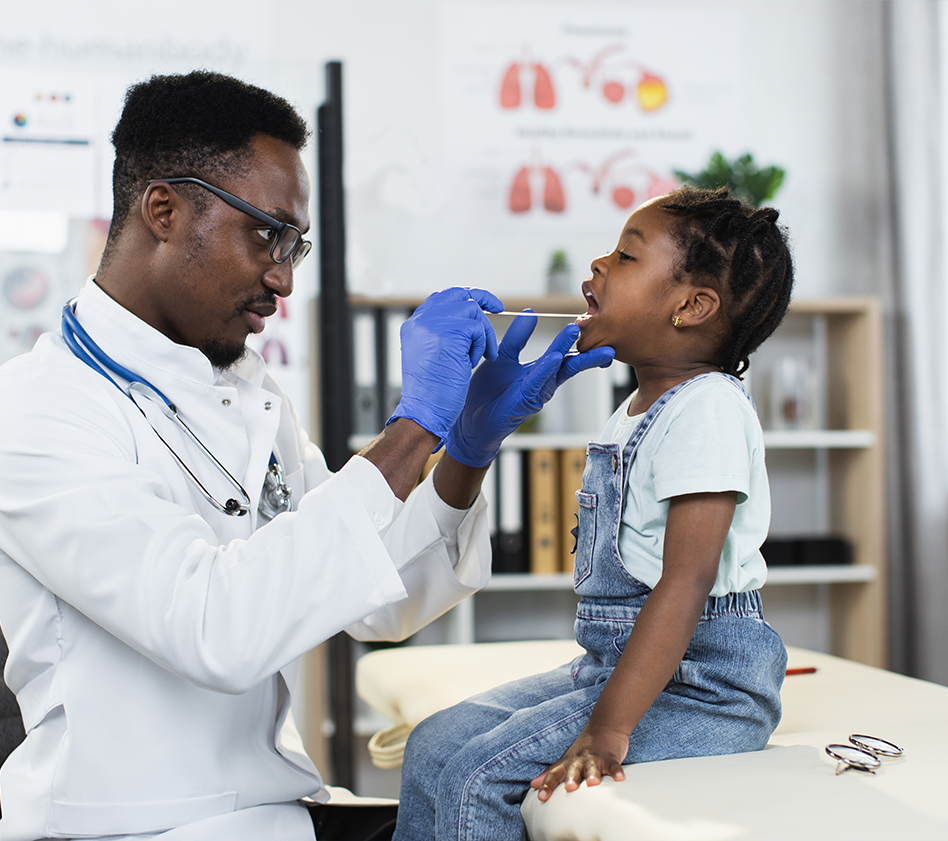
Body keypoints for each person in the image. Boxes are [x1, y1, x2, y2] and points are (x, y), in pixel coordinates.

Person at [0, 71, 613, 841]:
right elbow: (214, 628)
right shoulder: (39, 410)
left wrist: (465, 449)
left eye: (297, 244)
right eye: (268, 234)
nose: (284, 279)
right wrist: (413, 428)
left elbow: (380, 600)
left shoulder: (248, 396)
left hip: (273, 809)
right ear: (163, 210)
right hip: (135, 826)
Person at [394, 186, 796, 841]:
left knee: (476, 774)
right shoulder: (636, 408)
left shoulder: (710, 408)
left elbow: (685, 581)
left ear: (692, 306)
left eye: (627, 256)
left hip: (705, 686)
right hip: (626, 668)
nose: (600, 264)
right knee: (435, 743)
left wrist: (608, 729)